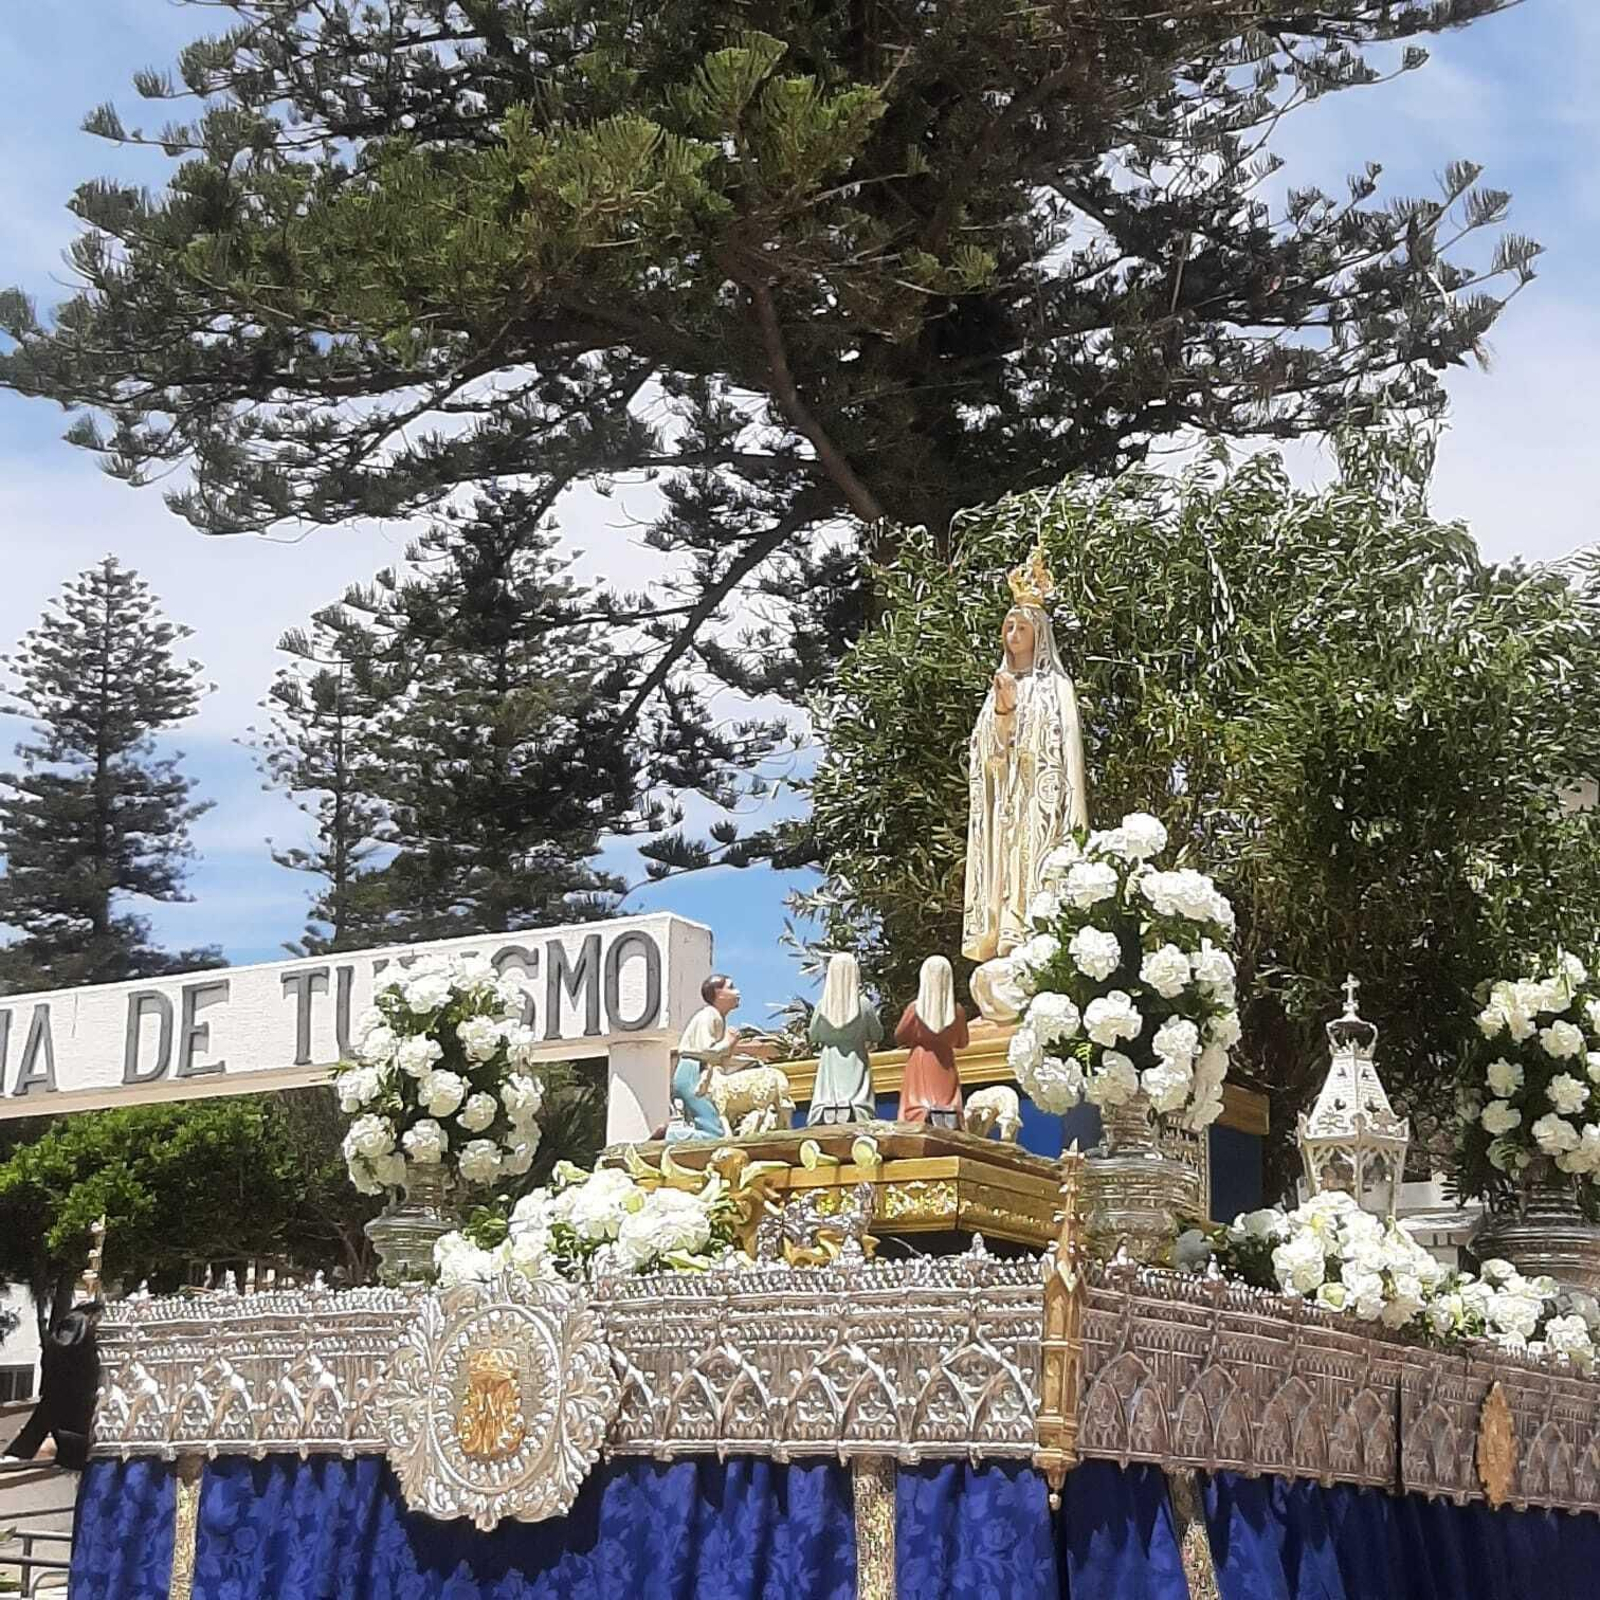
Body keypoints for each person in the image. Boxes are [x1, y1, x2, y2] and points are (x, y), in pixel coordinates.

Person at [961, 548, 1088, 1018]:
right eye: (1008, 627)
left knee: (1037, 865)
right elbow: (986, 756)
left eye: (1022, 628)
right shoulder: (1000, 685)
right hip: (1007, 803)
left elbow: (1064, 750)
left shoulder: (1056, 687)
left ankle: (1037, 931)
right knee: (1007, 868)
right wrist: (1003, 710)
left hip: (1043, 799)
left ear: (1039, 635)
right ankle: (1007, 930)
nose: (1013, 636)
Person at [807, 953, 881, 1125]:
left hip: (830, 1059)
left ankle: (828, 1105)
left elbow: (813, 1035)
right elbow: (878, 1034)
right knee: (857, 1091)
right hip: (856, 1056)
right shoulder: (864, 1005)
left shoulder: (822, 1006)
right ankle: (855, 1106)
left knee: (829, 1091)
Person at [895, 955, 968, 1128]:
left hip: (920, 1059)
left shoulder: (915, 1009)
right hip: (945, 1063)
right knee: (946, 1097)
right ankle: (947, 1117)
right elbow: (962, 1042)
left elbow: (900, 1036)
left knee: (918, 1098)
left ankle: (921, 1114)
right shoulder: (957, 1012)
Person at [671, 973, 742, 1137]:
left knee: (717, 1127)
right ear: (718, 993)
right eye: (731, 988)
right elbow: (707, 1051)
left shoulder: (718, 1018)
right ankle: (670, 1135)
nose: (737, 992)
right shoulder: (709, 1015)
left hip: (701, 1072)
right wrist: (729, 1043)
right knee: (714, 1132)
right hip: (693, 1072)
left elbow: (720, 1058)